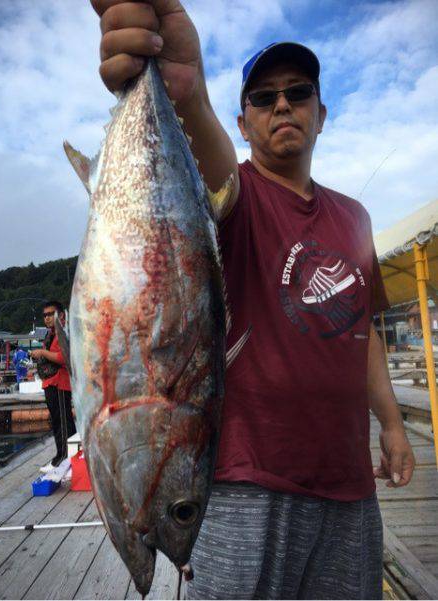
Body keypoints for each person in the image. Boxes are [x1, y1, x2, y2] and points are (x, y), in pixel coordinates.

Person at [90, 2, 416, 598]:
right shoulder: (235, 198)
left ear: (323, 113)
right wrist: (185, 92)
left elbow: (361, 327)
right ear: (243, 123)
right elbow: (210, 155)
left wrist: (392, 425)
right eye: (263, 99)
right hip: (248, 485)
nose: (283, 105)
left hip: (349, 487)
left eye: (298, 93)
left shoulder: (356, 217)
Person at [30, 301, 76, 472]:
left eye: (51, 314)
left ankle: (65, 458)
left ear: (61, 315)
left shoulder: (62, 334)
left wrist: (41, 353)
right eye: (45, 315)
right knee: (58, 422)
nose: (47, 318)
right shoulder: (52, 334)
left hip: (60, 383)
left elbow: (63, 358)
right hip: (51, 383)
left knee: (64, 423)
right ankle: (64, 457)